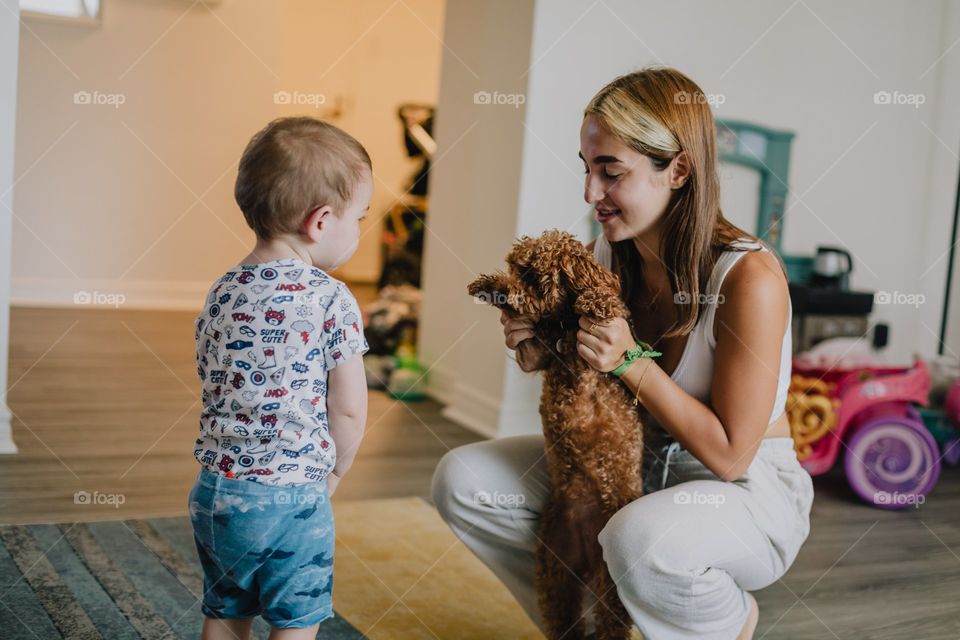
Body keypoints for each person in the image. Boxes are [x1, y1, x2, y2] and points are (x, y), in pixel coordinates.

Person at [431, 67, 814, 639]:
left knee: (638, 538)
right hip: (633, 466)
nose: (590, 193)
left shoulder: (749, 278)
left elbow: (731, 456)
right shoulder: (610, 254)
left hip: (742, 492)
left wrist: (632, 360)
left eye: (611, 173)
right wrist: (536, 348)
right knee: (463, 480)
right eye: (587, 169)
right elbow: (581, 374)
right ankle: (578, 629)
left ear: (678, 169)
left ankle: (725, 621)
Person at [188, 117, 371, 639]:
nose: (360, 230)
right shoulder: (331, 297)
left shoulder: (222, 290)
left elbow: (211, 371)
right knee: (296, 620)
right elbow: (350, 409)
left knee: (225, 611)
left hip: (216, 492)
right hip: (292, 495)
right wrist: (334, 472)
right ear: (321, 221)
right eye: (360, 218)